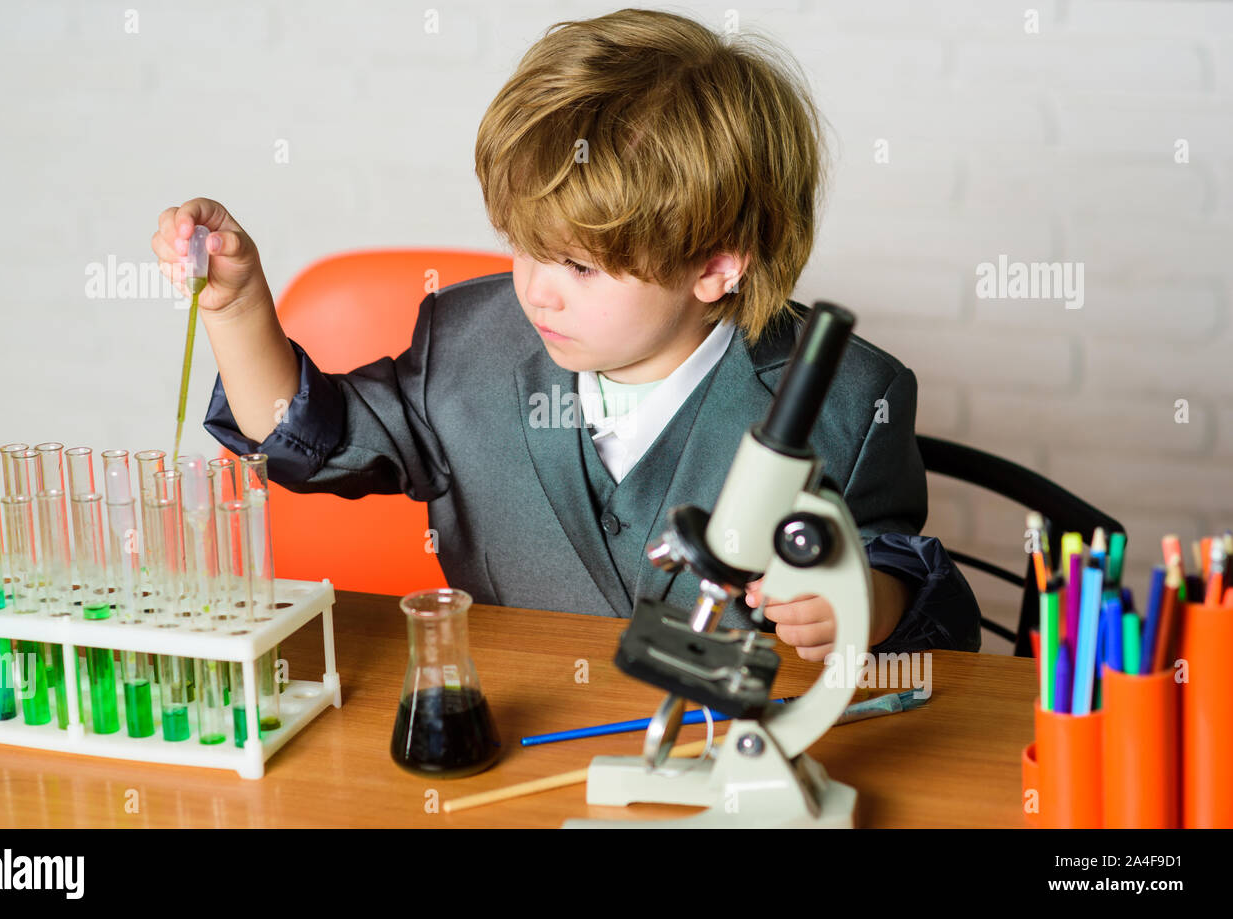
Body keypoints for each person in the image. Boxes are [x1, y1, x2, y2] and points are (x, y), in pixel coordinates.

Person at [150, 8, 981, 660]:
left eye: (581, 268)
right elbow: (305, 439)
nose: (536, 291)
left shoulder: (846, 397)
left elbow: (919, 597)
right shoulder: (468, 348)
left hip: (731, 761)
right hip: (522, 745)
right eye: (525, 247)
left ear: (718, 266)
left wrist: (858, 602)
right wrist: (237, 304)